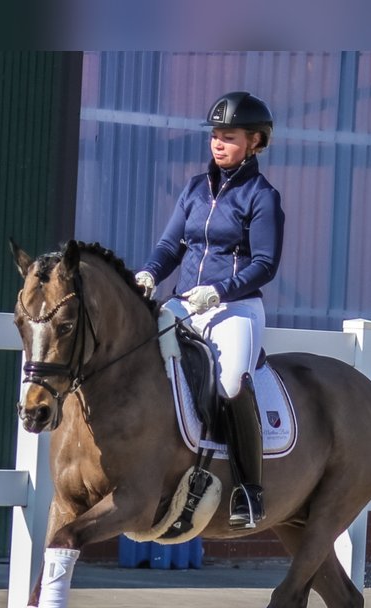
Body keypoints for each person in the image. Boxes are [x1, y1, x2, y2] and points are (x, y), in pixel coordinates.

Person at [134, 90, 285, 529]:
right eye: (215, 135)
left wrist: (218, 291)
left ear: (255, 141)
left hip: (235, 308)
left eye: (230, 136)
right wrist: (148, 273)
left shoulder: (262, 196)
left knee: (232, 383)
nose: (218, 143)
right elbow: (170, 245)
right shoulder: (195, 190)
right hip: (183, 301)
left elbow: (264, 264)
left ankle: (248, 490)